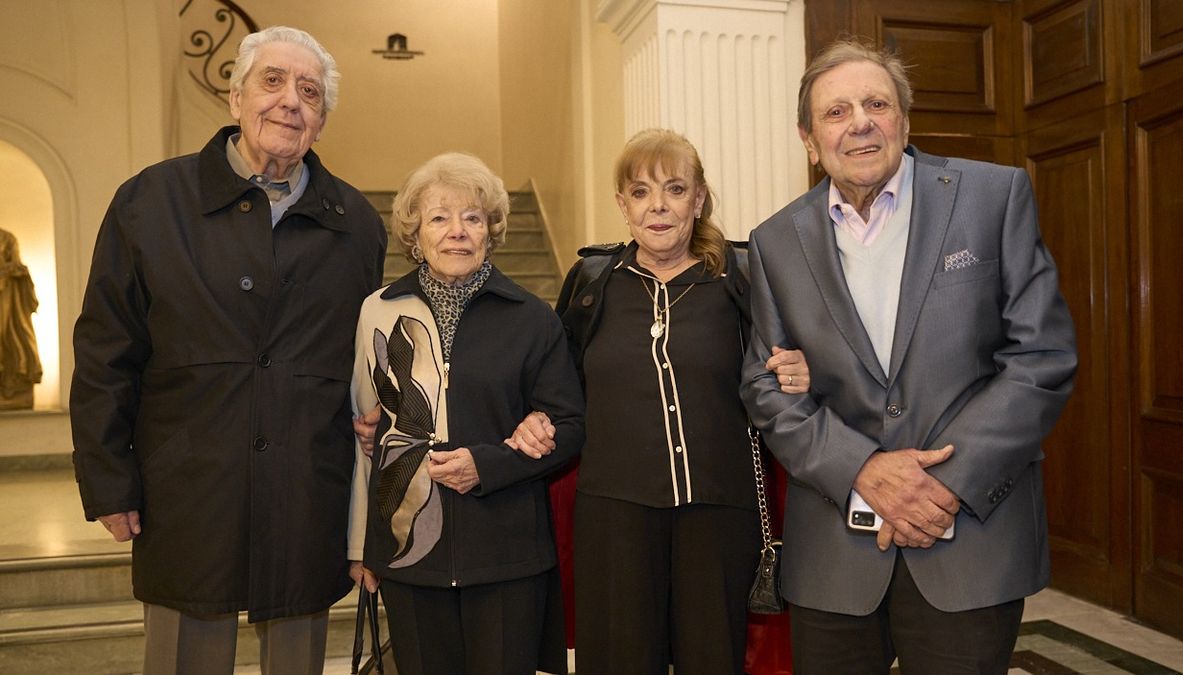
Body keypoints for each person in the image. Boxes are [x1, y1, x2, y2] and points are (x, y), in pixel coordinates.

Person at [740, 38, 1078, 673]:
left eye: (876, 103)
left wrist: (940, 487)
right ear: (809, 139)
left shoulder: (992, 197)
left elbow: (1042, 356)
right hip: (836, 557)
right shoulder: (774, 242)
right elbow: (767, 386)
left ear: (904, 118)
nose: (860, 122)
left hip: (970, 544)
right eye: (836, 112)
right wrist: (864, 470)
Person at [70, 26, 387, 674]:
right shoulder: (149, 201)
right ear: (235, 96)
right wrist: (107, 477)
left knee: (298, 652)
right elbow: (107, 348)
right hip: (186, 486)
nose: (290, 101)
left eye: (309, 92)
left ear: (322, 121)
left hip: (307, 487)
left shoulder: (357, 224)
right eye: (272, 81)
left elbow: (368, 362)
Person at [507, 128, 809, 675]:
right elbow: (556, 386)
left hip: (719, 511)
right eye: (641, 192)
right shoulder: (592, 281)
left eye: (674, 189)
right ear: (622, 205)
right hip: (613, 513)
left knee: (714, 658)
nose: (658, 207)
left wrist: (800, 369)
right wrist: (535, 414)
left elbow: (787, 361)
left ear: (698, 199)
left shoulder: (741, 277)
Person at [347, 152, 585, 675]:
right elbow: (366, 434)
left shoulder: (533, 318)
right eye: (439, 218)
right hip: (409, 549)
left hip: (507, 550)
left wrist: (489, 463)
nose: (457, 231)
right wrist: (364, 543)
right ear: (416, 233)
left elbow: (569, 427)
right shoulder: (378, 311)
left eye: (472, 217)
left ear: (490, 229)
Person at [0, 228, 42, 409]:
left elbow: (16, 264)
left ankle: (15, 376)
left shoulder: (8, 238)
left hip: (8, 301)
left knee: (12, 337)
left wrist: (9, 272)